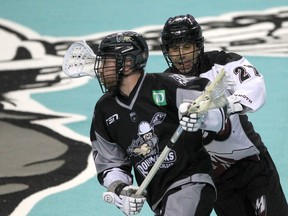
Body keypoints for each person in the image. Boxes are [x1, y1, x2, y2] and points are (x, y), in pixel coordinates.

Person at [160, 14, 288, 216]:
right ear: (166, 51)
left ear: (198, 45)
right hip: (216, 179)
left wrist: (228, 105)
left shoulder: (223, 63)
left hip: (252, 164)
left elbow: (255, 85)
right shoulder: (166, 85)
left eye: (186, 47)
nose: (181, 54)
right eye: (174, 49)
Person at [89, 31, 227, 216]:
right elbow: (111, 164)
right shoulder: (104, 110)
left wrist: (201, 117)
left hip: (191, 181)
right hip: (160, 198)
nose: (100, 68)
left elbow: (215, 97)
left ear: (128, 62)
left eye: (107, 61)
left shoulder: (164, 85)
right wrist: (123, 191)